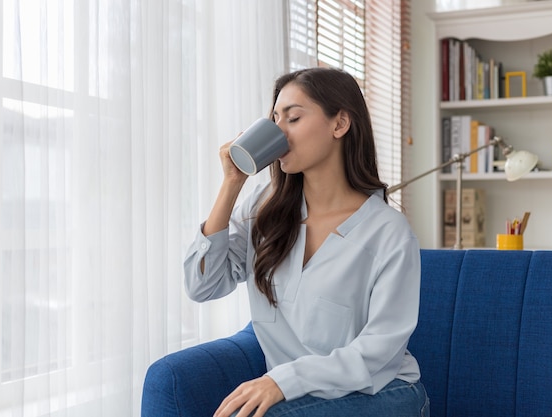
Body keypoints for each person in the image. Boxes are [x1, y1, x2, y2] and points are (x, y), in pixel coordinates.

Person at [183, 67, 429, 417]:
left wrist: (282, 381)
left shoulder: (388, 232)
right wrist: (231, 184)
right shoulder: (263, 209)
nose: (278, 132)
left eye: (293, 118)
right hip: (299, 395)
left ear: (339, 124)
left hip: (384, 392)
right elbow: (201, 285)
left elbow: (378, 351)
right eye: (273, 119)